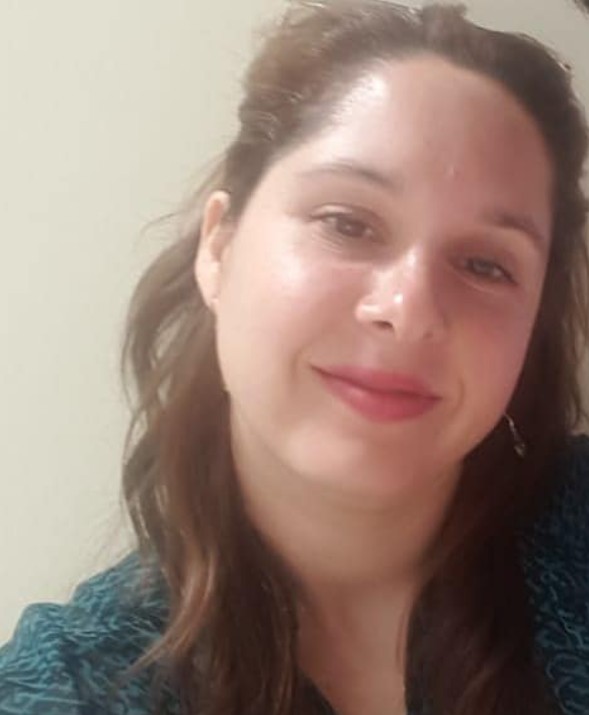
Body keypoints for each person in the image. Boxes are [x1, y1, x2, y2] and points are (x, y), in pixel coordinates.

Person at [1, 1, 588, 714]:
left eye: (485, 265)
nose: (408, 309)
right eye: (347, 222)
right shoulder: (72, 687)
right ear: (219, 246)